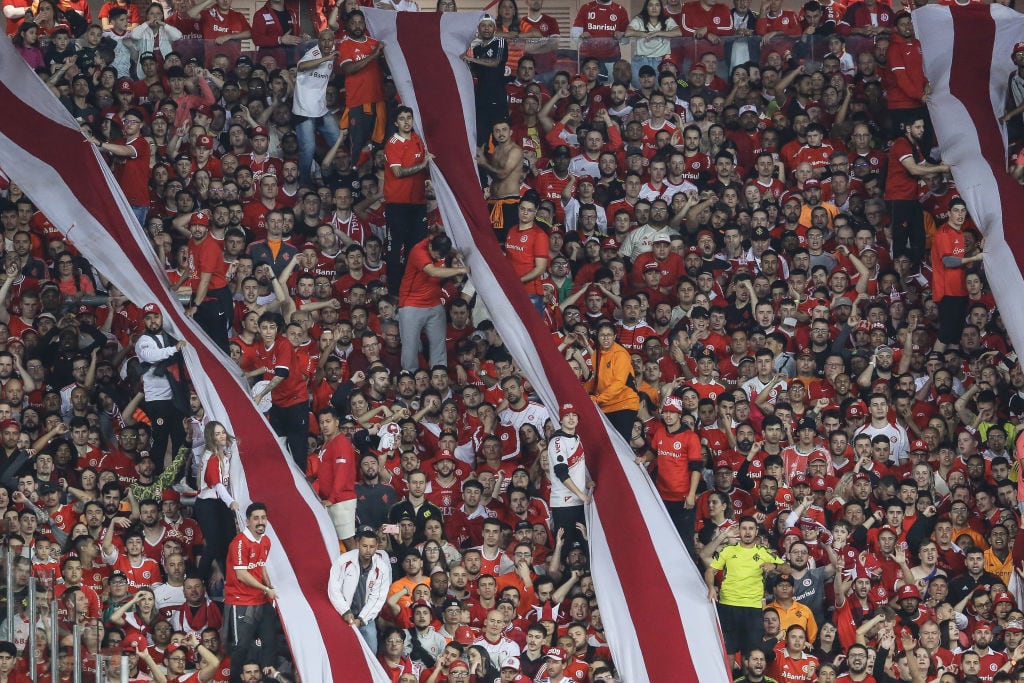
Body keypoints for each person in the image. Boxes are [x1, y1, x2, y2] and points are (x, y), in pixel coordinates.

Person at [704, 516, 794, 657]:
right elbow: (710, 570)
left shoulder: (763, 552)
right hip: (728, 606)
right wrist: (710, 587)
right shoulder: (728, 550)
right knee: (728, 651)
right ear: (739, 530)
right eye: (744, 528)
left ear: (756, 531)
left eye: (751, 528)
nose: (747, 532)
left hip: (752, 608)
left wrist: (774, 565)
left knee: (751, 653)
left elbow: (788, 569)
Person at [634, 395, 703, 556]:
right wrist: (644, 458)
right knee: (664, 541)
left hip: (683, 499)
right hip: (662, 497)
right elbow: (653, 452)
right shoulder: (659, 432)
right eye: (665, 412)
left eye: (672, 412)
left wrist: (692, 494)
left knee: (685, 542)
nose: (668, 416)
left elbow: (696, 468)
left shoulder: (690, 437)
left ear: (679, 414)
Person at [397, 233, 470, 372]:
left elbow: (440, 236)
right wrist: (461, 269)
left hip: (434, 303)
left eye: (441, 256)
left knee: (439, 345)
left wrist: (455, 253)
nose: (438, 258)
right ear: (430, 246)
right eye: (436, 255)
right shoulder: (419, 251)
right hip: (411, 305)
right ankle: (410, 378)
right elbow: (433, 272)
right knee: (410, 347)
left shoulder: (436, 241)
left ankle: (439, 375)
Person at [224, 503, 276, 683]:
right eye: (256, 518)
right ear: (247, 521)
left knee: (271, 641)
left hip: (260, 601)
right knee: (241, 648)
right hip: (241, 602)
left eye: (263, 518)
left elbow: (260, 567)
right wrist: (266, 589)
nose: (260, 522)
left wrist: (269, 586)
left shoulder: (266, 540)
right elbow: (242, 574)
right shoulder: (239, 542)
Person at [384, 106, 433, 294]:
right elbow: (398, 172)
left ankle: (416, 287)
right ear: (396, 122)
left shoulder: (418, 140)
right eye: (402, 119)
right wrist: (422, 165)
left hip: (418, 203)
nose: (406, 122)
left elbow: (426, 167)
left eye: (409, 118)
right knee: (395, 249)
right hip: (397, 203)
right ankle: (395, 292)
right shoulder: (393, 142)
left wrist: (427, 173)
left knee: (418, 247)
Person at [134, 303, 188, 471]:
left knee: (179, 440)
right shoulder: (144, 340)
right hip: (157, 400)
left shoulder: (170, 335)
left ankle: (178, 478)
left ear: (162, 318)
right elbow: (151, 356)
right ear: (144, 321)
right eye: (148, 318)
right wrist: (174, 348)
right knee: (160, 441)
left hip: (176, 397)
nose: (153, 322)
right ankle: (156, 478)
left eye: (156, 317)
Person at [328, 525, 392, 654]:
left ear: (377, 546)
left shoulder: (382, 568)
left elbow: (378, 598)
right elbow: (334, 589)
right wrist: (345, 611)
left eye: (372, 547)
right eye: (364, 546)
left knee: (371, 651)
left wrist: (361, 619)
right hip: (341, 614)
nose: (368, 550)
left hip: (366, 618)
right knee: (340, 651)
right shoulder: (343, 561)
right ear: (357, 544)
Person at [931, 197, 983, 352]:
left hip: (960, 291)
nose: (960, 214)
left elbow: (960, 258)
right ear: (948, 213)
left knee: (955, 335)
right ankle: (935, 364)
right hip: (947, 291)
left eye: (962, 211)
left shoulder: (959, 233)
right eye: (956, 210)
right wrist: (975, 257)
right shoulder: (943, 234)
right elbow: (948, 261)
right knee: (946, 334)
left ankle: (950, 368)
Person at [293, 30, 342, 186]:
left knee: (338, 140)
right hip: (303, 109)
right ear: (318, 42)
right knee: (308, 149)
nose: (326, 43)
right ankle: (305, 185)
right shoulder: (314, 53)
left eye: (330, 40)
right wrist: (326, 58)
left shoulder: (333, 54)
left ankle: (332, 177)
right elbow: (301, 66)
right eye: (323, 40)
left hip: (320, 109)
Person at [337, 10, 385, 161]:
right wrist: (373, 56)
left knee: (376, 145)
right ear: (347, 25)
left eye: (360, 22)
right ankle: (356, 178)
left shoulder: (374, 43)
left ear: (365, 23)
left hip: (377, 100)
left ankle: (372, 180)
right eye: (353, 23)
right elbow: (349, 69)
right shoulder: (345, 45)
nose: (357, 26)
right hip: (358, 102)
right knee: (358, 147)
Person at [195, 421, 239, 583]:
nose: (221, 436)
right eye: (217, 434)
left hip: (220, 503)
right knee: (213, 545)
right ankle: (198, 581)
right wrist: (231, 502)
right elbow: (217, 485)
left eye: (222, 432)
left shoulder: (223, 453)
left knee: (230, 543)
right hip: (208, 504)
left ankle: (230, 581)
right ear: (210, 438)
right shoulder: (211, 457)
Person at [181, 210, 231, 352]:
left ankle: (226, 373)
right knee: (200, 340)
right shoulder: (192, 241)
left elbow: (205, 281)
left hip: (215, 298)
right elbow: (191, 267)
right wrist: (176, 285)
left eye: (201, 226)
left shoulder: (209, 248)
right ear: (189, 227)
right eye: (194, 225)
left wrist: (195, 306)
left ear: (207, 228)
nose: (197, 229)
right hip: (200, 296)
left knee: (219, 343)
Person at [585, 320, 640, 440]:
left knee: (622, 445)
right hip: (605, 406)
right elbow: (594, 380)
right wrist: (582, 394)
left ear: (614, 336)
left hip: (624, 404)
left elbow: (619, 383)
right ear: (597, 337)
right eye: (602, 335)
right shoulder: (596, 354)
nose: (605, 338)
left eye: (609, 335)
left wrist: (598, 399)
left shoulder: (621, 354)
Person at [546, 402, 591, 547]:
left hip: (578, 502)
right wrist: (581, 494)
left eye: (574, 415)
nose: (571, 418)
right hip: (564, 504)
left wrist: (587, 483)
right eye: (566, 415)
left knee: (582, 548)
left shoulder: (577, 439)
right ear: (560, 420)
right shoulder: (557, 441)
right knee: (566, 548)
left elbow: (576, 468)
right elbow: (562, 473)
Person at [316, 407, 358, 548]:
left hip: (341, 500)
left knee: (348, 540)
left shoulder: (341, 443)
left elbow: (341, 473)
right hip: (332, 500)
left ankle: (363, 570)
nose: (324, 425)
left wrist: (332, 499)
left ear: (336, 422)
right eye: (321, 422)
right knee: (337, 542)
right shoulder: (328, 443)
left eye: (328, 421)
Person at [503, 190, 549, 314]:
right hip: (510, 289)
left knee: (531, 332)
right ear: (518, 208)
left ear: (535, 212)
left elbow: (540, 268)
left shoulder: (539, 235)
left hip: (530, 293)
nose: (525, 213)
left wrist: (518, 281)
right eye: (522, 209)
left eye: (529, 210)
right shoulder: (512, 230)